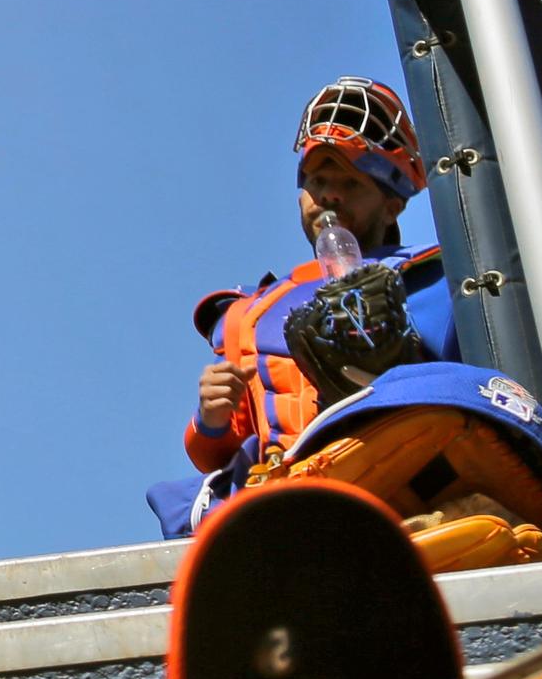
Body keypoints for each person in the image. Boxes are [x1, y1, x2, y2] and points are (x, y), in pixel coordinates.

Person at [153, 75, 460, 536]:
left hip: (401, 499)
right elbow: (216, 449)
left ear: (393, 204)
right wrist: (211, 418)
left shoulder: (436, 278)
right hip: (283, 506)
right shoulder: (248, 313)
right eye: (318, 181)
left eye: (351, 183)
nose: (330, 196)